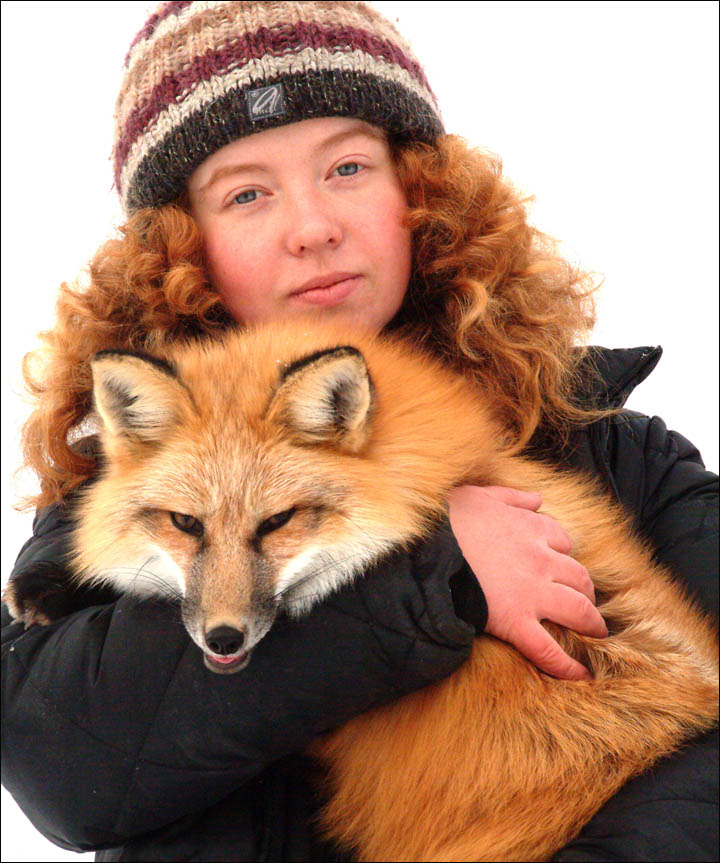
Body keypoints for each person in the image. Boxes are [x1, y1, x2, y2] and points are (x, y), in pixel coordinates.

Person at [1, 2, 716, 861]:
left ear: (418, 189)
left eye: (346, 167)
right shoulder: (127, 490)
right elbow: (61, 765)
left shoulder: (614, 449)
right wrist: (438, 575)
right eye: (248, 193)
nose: (313, 228)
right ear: (180, 245)